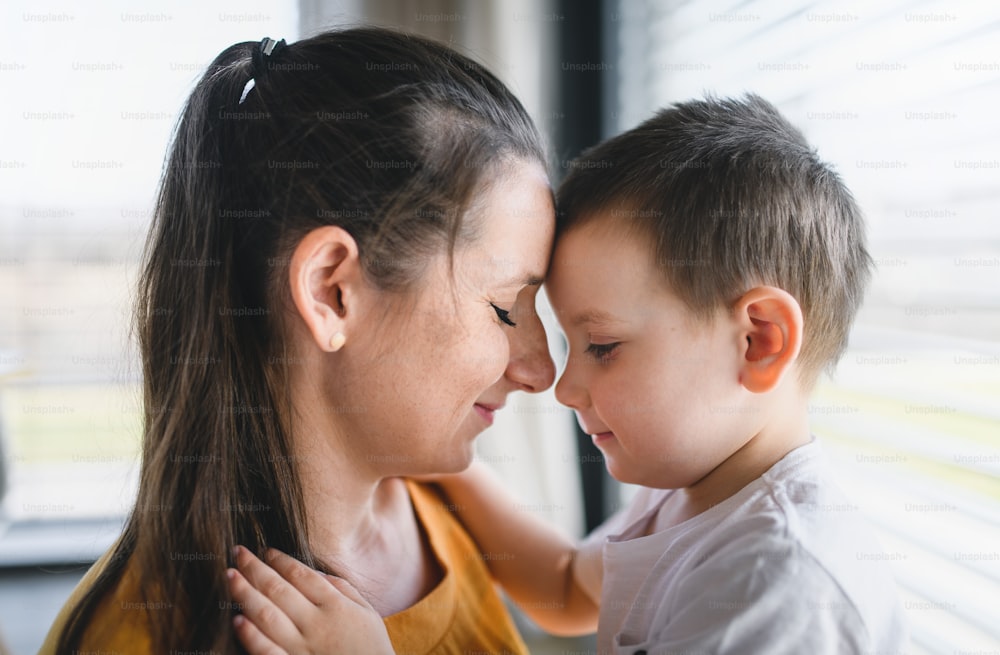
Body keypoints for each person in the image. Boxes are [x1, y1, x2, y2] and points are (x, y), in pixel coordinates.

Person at [228, 94, 908, 654]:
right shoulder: (693, 491)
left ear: (759, 341)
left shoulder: (779, 586)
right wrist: (426, 427)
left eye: (603, 346)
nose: (561, 384)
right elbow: (560, 587)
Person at [40, 27, 565, 655]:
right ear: (332, 292)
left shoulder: (443, 511)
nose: (542, 372)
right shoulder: (141, 638)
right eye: (506, 308)